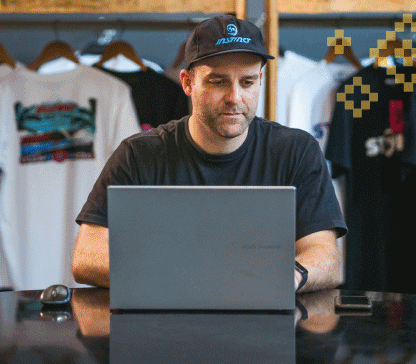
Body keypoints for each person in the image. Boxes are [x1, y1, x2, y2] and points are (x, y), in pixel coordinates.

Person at [72, 15, 347, 292]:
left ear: (261, 80)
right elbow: (87, 257)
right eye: (218, 82)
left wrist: (291, 276)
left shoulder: (296, 151)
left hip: (263, 322)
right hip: (164, 326)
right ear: (187, 82)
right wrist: (190, 276)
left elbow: (326, 256)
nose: (234, 97)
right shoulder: (138, 155)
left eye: (248, 82)